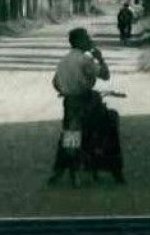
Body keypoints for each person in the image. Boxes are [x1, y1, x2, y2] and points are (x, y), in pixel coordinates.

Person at [50, 26, 124, 183]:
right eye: (86, 38)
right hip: (86, 102)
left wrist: (66, 89)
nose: (90, 41)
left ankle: (61, 168)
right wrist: (100, 58)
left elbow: (55, 82)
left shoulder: (64, 60)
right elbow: (105, 75)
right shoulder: (86, 60)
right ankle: (113, 168)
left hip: (69, 103)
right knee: (110, 125)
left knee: (69, 134)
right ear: (79, 41)